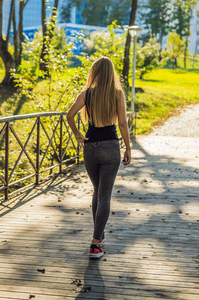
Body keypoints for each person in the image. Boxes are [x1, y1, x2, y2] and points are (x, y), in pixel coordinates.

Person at [67, 56, 132, 259]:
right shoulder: (117, 94)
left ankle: (98, 234)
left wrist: (78, 134)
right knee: (104, 195)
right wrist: (128, 147)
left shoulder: (86, 94)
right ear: (111, 72)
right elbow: (122, 123)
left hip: (90, 147)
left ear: (94, 73)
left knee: (98, 191)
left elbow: (69, 115)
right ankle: (95, 243)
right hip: (110, 148)